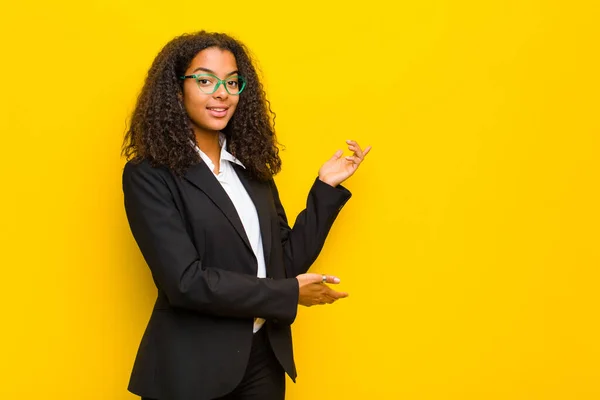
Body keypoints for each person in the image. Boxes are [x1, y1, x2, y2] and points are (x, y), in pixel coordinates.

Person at [121, 30, 371, 400]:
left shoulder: (250, 170)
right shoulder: (148, 174)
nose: (222, 92)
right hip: (190, 370)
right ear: (177, 90)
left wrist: (325, 189)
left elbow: (284, 262)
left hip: (262, 361)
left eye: (232, 82)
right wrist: (287, 294)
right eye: (205, 80)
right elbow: (184, 282)